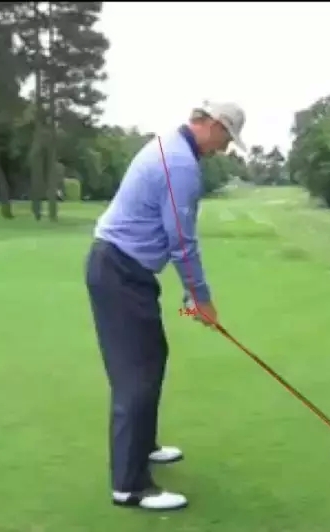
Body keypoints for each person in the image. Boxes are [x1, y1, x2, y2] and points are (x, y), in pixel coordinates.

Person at [84, 101, 247, 511]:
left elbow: (169, 234)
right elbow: (181, 241)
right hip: (120, 271)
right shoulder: (179, 163)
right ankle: (129, 486)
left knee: (152, 358)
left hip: (124, 269)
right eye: (227, 137)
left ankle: (145, 446)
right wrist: (201, 297)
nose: (225, 148)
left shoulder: (172, 147)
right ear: (212, 124)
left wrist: (191, 293)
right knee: (136, 375)